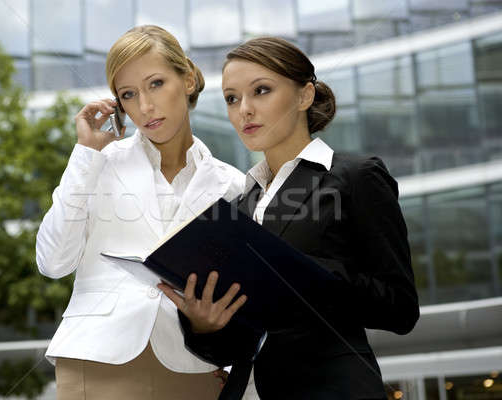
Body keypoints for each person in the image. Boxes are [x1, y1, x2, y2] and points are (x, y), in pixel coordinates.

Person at [158, 36, 420, 399]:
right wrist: (204, 324)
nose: (243, 109)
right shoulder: (240, 205)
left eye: (261, 91)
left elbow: (400, 308)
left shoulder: (356, 176)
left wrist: (309, 273)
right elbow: (230, 348)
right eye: (232, 98)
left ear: (304, 96)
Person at [36, 25, 244, 399]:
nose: (145, 107)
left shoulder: (232, 185)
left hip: (195, 366)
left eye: (156, 84)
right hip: (96, 360)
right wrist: (85, 155)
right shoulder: (95, 163)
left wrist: (226, 352)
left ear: (189, 79)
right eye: (128, 94)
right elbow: (52, 262)